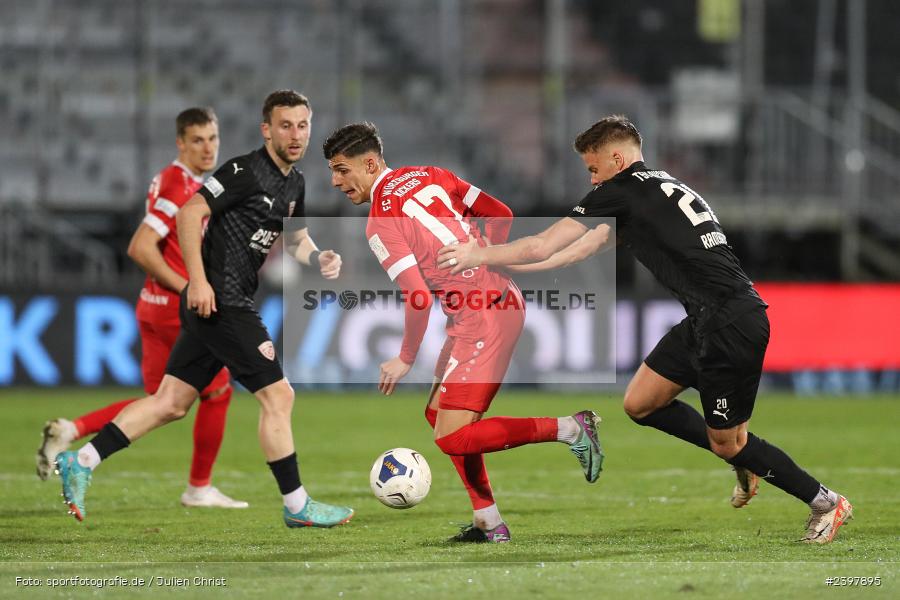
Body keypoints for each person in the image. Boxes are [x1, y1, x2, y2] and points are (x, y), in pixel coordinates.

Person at [437, 115, 852, 544]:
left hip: (731, 322)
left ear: (617, 158)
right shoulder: (657, 190)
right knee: (641, 403)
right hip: (706, 319)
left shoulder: (625, 190)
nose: (592, 179)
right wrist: (503, 262)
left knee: (729, 441)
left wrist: (478, 254)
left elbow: (545, 243)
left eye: (593, 168)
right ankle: (737, 451)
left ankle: (824, 501)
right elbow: (574, 252)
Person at [54, 90, 354, 529]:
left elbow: (295, 239)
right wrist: (197, 280)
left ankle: (81, 459)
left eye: (303, 125)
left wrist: (319, 257)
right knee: (279, 395)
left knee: (171, 403)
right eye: (285, 125)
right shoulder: (243, 170)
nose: (295, 134)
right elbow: (189, 215)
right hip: (223, 303)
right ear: (266, 129)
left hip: (218, 307)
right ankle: (297, 506)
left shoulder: (295, 183)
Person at [323, 122, 604, 543]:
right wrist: (488, 258)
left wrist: (405, 356)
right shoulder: (435, 175)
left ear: (370, 163)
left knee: (454, 435)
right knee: (438, 414)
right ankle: (488, 523)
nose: (336, 181)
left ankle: (569, 428)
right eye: (332, 171)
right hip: (486, 306)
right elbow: (501, 213)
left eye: (343, 170)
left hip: (482, 318)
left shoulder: (381, 221)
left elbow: (417, 297)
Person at [36, 107, 247, 509]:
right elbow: (141, 246)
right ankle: (198, 487)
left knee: (158, 400)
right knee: (216, 391)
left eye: (213, 138)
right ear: (180, 143)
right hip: (176, 310)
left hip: (152, 306)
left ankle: (72, 429)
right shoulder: (179, 185)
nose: (208, 147)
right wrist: (190, 286)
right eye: (198, 140)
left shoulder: (178, 181)